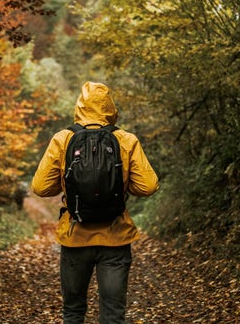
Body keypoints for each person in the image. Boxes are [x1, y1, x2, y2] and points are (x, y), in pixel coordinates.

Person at [32, 81, 159, 324]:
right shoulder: (125, 139)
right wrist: (121, 183)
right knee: (113, 314)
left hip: (74, 237)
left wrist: (68, 181)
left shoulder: (63, 139)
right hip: (116, 237)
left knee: (73, 311)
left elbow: (40, 187)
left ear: (79, 106)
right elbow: (149, 186)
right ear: (110, 107)